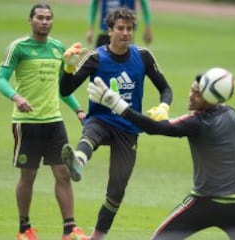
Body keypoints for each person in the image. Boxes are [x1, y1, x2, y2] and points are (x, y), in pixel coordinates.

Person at [86, 70, 235, 240]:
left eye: (197, 93)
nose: (191, 95)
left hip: (204, 203)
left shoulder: (197, 122)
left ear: (209, 97)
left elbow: (155, 129)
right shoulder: (230, 114)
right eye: (191, 89)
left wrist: (117, 104)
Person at [60, 7, 172, 239]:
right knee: (90, 134)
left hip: (129, 127)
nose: (126, 33)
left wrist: (164, 106)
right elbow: (65, 89)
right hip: (101, 119)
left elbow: (165, 88)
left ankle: (96, 237)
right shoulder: (95, 58)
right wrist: (69, 68)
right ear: (109, 31)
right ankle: (77, 162)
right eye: (120, 28)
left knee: (117, 191)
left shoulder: (143, 56)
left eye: (129, 29)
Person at [0, 3, 90, 240]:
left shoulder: (58, 48)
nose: (44, 21)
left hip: (54, 121)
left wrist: (78, 110)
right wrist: (16, 97)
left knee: (63, 174)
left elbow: (62, 88)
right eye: (40, 17)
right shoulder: (18, 48)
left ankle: (70, 229)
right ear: (30, 21)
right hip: (26, 123)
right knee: (29, 175)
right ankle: (24, 228)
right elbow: (0, 79)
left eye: (48, 18)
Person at [86, 0, 152, 47]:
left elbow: (144, 4)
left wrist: (148, 28)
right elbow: (94, 3)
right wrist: (90, 28)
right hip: (106, 34)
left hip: (126, 35)